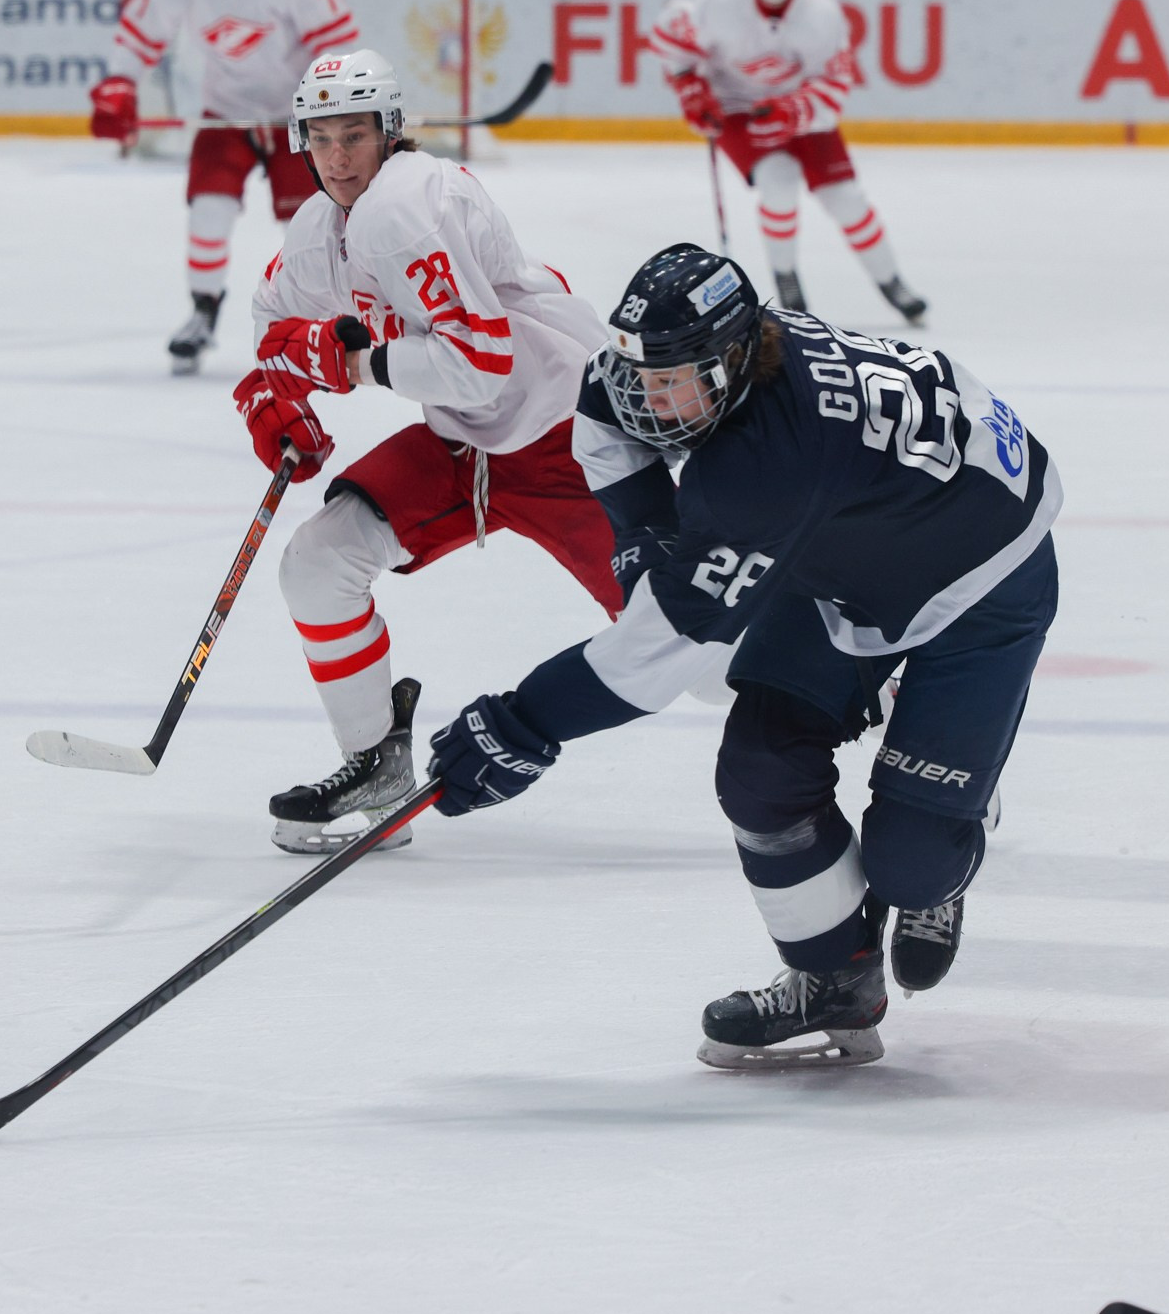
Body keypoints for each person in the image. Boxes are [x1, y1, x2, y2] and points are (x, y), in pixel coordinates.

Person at [426, 243, 1059, 1068]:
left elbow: (651, 660)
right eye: (644, 374)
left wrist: (523, 724)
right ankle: (835, 981)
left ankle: (957, 816)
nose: (650, 399)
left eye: (673, 382)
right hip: (848, 547)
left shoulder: (765, 470)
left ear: (731, 361)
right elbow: (604, 411)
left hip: (983, 581)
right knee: (760, 772)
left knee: (912, 865)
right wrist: (649, 537)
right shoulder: (703, 367)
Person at [237, 49, 622, 854]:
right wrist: (272, 393)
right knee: (318, 562)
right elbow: (275, 316)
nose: (338, 157)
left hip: (569, 441)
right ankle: (376, 768)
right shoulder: (324, 226)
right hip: (466, 442)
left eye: (355, 135)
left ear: (389, 132)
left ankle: (866, 682)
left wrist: (350, 363)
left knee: (693, 646)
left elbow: (482, 363)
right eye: (321, 138)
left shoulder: (404, 209)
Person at [92, 0, 361, 372]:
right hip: (227, 114)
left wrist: (334, 104)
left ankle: (323, 317)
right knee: (208, 210)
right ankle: (203, 310)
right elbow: (137, 36)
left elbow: (336, 40)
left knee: (306, 224)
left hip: (295, 117)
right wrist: (119, 85)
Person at [647, 0, 929, 323]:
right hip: (737, 108)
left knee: (847, 199)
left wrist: (794, 111)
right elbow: (672, 40)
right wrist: (690, 89)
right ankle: (787, 281)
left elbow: (835, 84)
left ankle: (892, 281)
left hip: (802, 110)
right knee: (778, 183)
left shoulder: (821, 13)